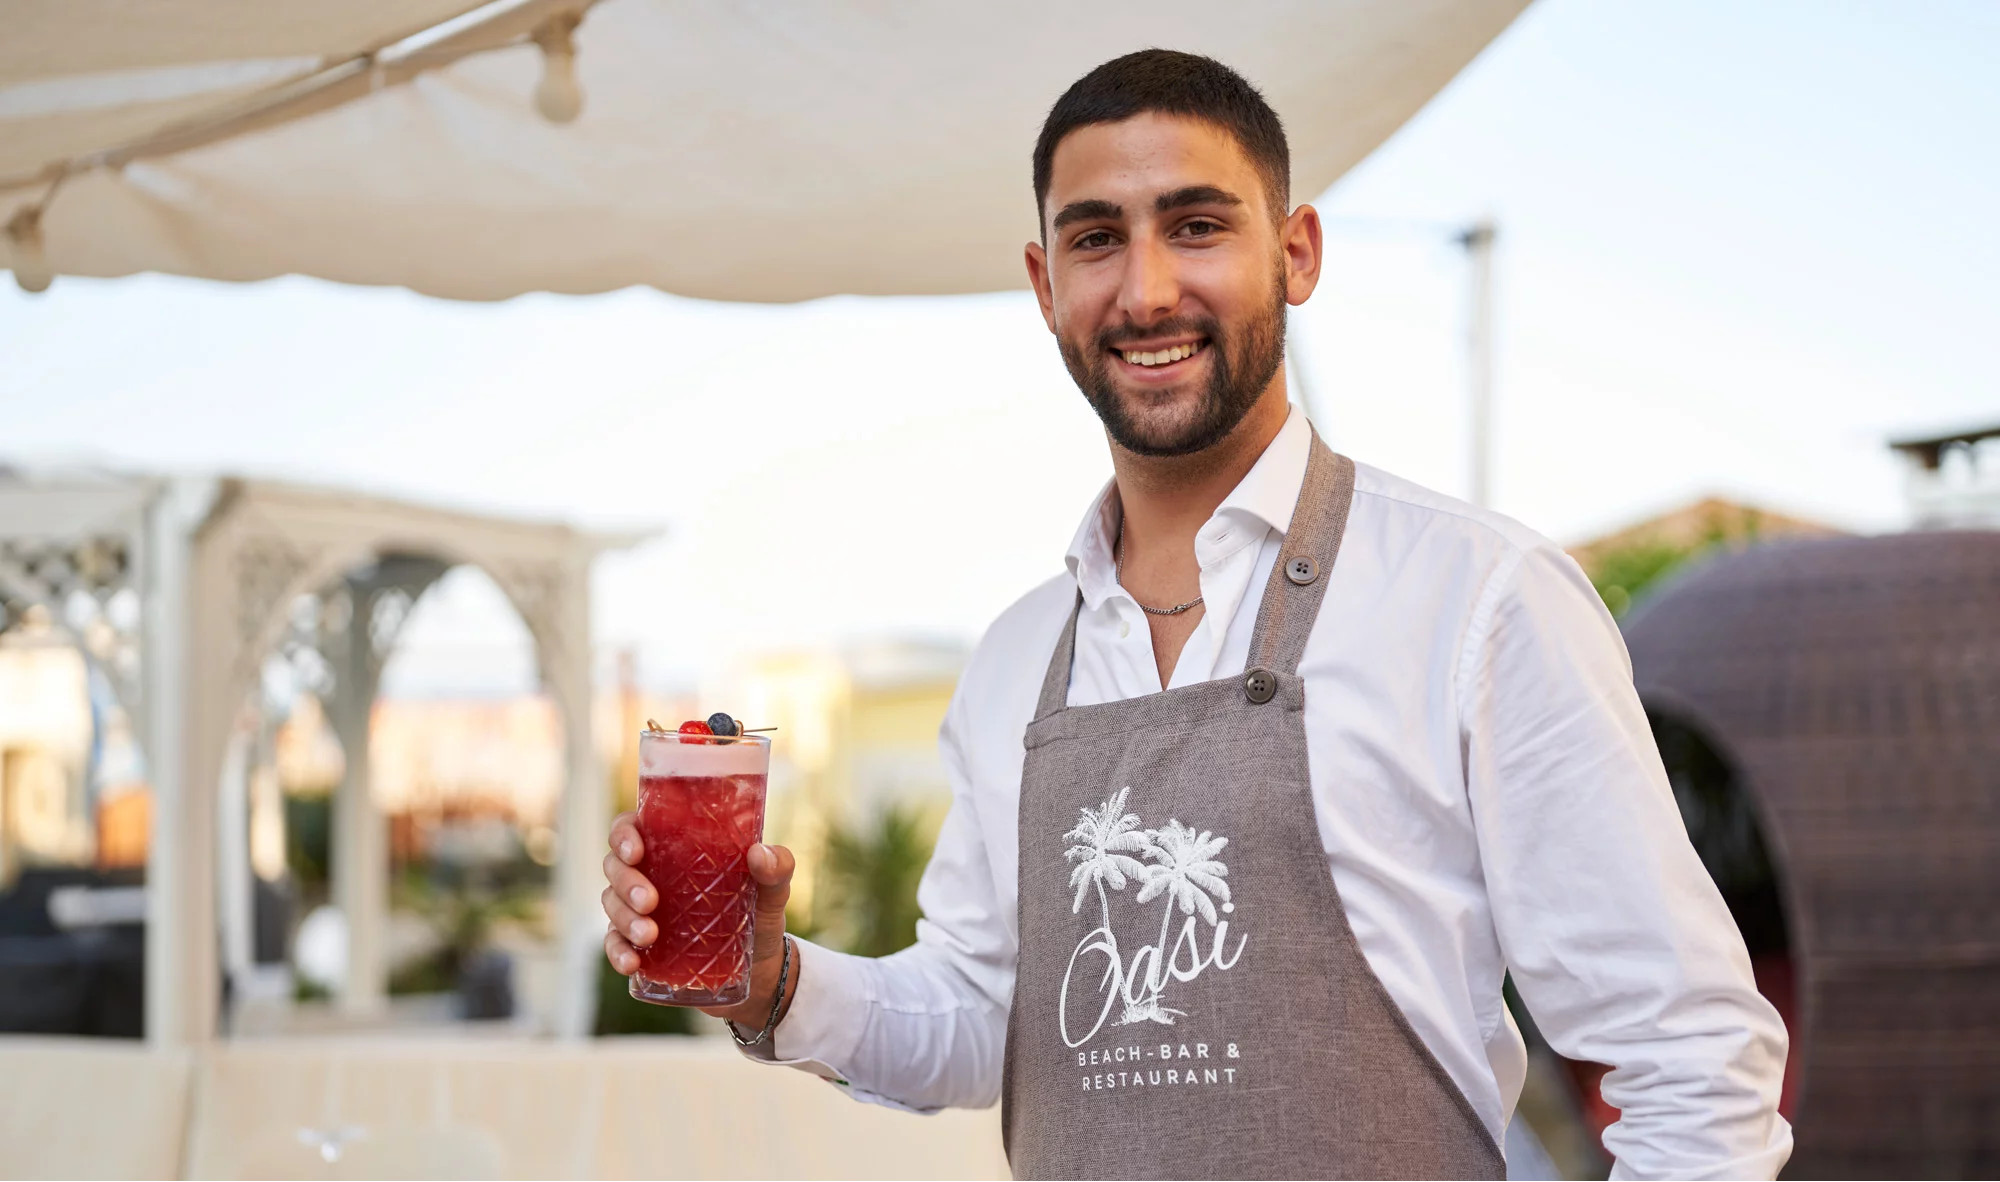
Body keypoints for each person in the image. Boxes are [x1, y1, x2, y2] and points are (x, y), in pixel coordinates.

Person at [601, 49, 1790, 1180]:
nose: (1146, 290)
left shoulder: (1477, 597)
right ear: (1045, 286)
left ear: (1296, 252)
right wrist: (771, 981)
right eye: (1096, 239)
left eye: (1196, 226)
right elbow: (978, 1012)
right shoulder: (1015, 659)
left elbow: (1688, 1056)